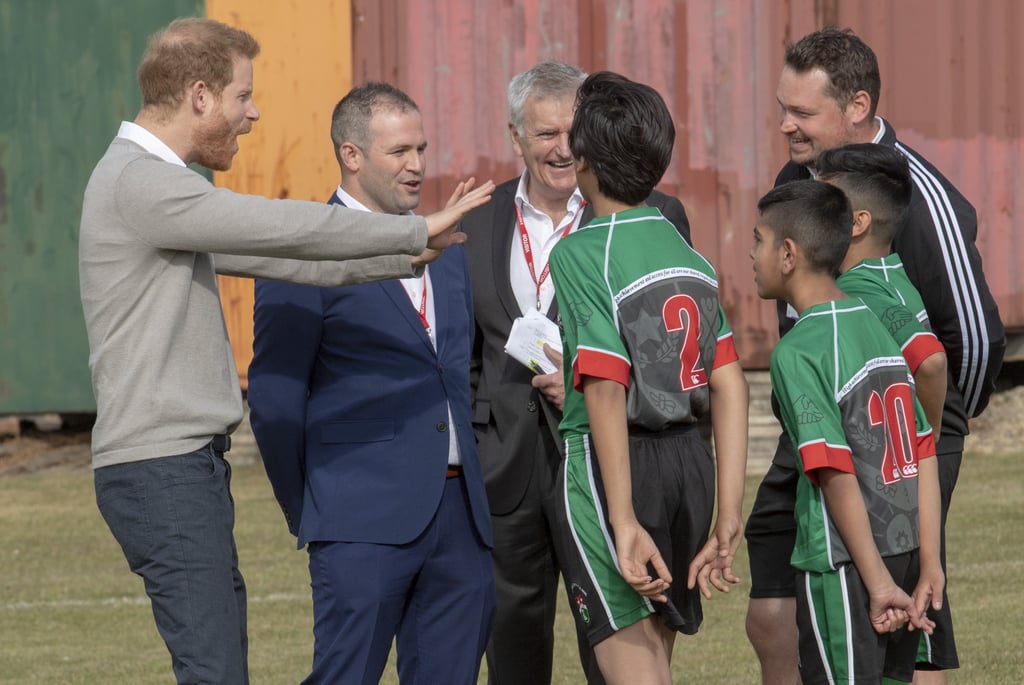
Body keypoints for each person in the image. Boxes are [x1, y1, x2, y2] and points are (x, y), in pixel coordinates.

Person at [79, 18, 492, 685]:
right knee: (215, 672)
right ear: (200, 95)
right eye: (244, 96)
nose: (254, 112)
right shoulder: (143, 182)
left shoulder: (160, 188)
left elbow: (288, 256)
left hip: (182, 466)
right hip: (162, 468)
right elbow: (276, 224)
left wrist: (405, 249)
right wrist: (415, 227)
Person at [744, 27, 1005, 684]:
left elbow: (970, 338)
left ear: (856, 107)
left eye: (801, 113)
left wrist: (933, 426)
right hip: (817, 419)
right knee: (770, 604)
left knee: (911, 614)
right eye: (783, 109)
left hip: (904, 429)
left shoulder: (919, 197)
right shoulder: (795, 181)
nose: (785, 126)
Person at [246, 82, 495, 684]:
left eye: (422, 148)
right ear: (351, 155)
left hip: (460, 518)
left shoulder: (450, 245)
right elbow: (276, 398)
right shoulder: (304, 250)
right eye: (399, 151)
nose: (417, 165)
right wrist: (316, 507)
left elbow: (457, 373)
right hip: (357, 519)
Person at [460, 60, 691, 685]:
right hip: (507, 474)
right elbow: (466, 358)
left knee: (619, 650)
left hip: (606, 469)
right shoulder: (473, 225)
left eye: (573, 133)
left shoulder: (654, 214)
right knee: (512, 651)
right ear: (515, 139)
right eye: (544, 135)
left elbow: (673, 361)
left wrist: (596, 390)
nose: (562, 149)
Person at [546, 71, 749, 685]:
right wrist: (728, 511)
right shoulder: (689, 253)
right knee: (654, 662)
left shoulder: (581, 252)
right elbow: (731, 383)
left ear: (581, 159)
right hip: (691, 465)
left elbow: (605, 387)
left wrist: (624, 518)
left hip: (615, 470)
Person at [750, 179, 941, 684]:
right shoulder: (874, 321)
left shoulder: (799, 349)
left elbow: (833, 472)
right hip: (902, 550)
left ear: (788, 254)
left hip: (845, 563)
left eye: (758, 240)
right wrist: (930, 563)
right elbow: (924, 449)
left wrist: (876, 583)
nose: (752, 255)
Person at [820, 143, 947, 439]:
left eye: (820, 206)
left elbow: (930, 361)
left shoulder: (856, 289)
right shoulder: (893, 274)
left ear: (856, 222)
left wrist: (927, 438)